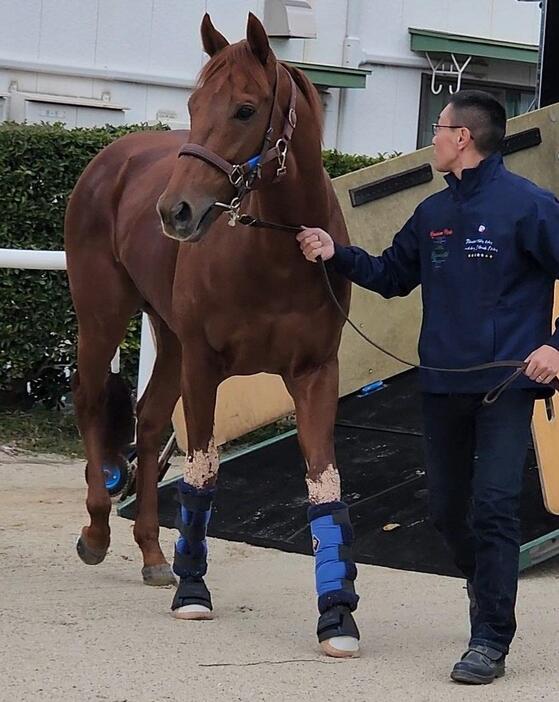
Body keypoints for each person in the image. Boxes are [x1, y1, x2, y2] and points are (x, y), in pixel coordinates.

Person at [297, 90, 559, 684]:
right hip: (441, 385)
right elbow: (391, 276)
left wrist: (555, 346)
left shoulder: (530, 206)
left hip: (506, 386)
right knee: (446, 512)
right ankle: (483, 581)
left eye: (438, 128)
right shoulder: (433, 213)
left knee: (493, 508)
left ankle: (490, 637)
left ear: (462, 137)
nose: (432, 138)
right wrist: (334, 253)